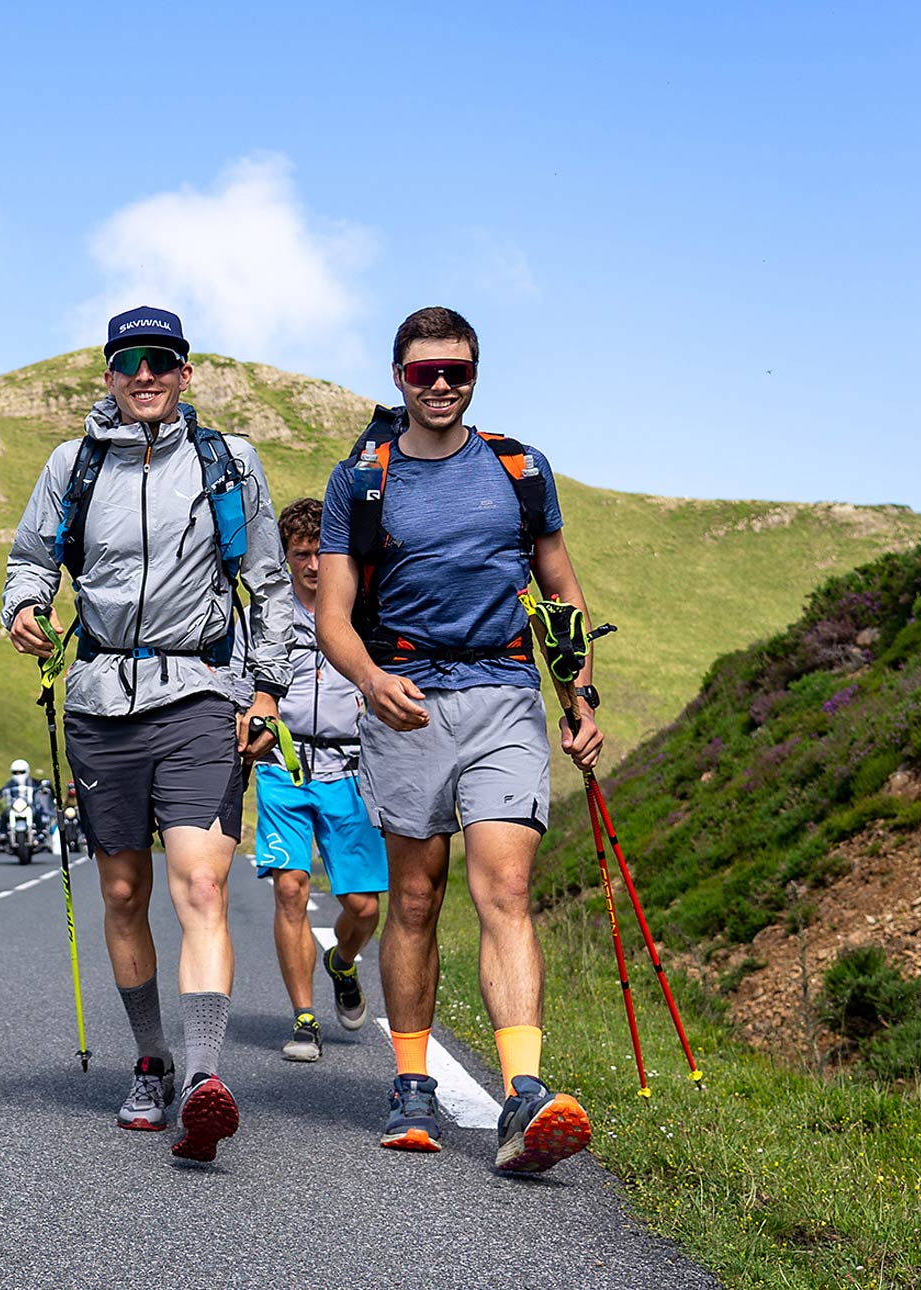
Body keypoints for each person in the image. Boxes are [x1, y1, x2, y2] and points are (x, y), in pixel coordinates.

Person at [3, 305, 297, 1164]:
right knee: (125, 895)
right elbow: (31, 559)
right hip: (99, 703)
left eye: (161, 361)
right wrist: (24, 605)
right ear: (108, 374)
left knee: (201, 885)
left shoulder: (227, 461)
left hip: (202, 694)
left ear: (184, 373)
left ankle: (203, 1078)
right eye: (129, 361)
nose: (145, 375)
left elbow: (270, 583)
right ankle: (152, 1061)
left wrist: (267, 691)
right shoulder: (72, 465)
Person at [315, 306, 604, 1175]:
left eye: (457, 371)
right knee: (414, 899)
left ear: (475, 374)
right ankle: (412, 1085)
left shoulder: (520, 468)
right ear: (398, 378)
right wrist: (372, 683)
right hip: (406, 701)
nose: (441, 384)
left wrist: (580, 698)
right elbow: (333, 616)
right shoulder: (360, 482)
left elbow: (561, 591)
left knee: (505, 889)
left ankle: (523, 1094)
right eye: (424, 372)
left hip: (505, 694)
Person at [250, 497, 386, 1063]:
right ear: (285, 557)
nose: (311, 565)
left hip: (349, 768)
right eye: (300, 554)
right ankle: (304, 1018)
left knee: (364, 907)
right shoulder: (266, 616)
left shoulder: (362, 610)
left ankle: (342, 963)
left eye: (320, 553)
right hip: (283, 768)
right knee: (289, 889)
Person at [0, 759, 55, 851]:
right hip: (14, 806)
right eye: (16, 772)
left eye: (21, 772)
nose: (19, 775)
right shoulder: (9, 783)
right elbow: (2, 791)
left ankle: (41, 831)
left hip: (29, 805)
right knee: (4, 814)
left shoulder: (33, 782)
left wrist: (44, 789)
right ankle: (3, 833)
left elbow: (41, 787)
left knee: (37, 812)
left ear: (27, 771)